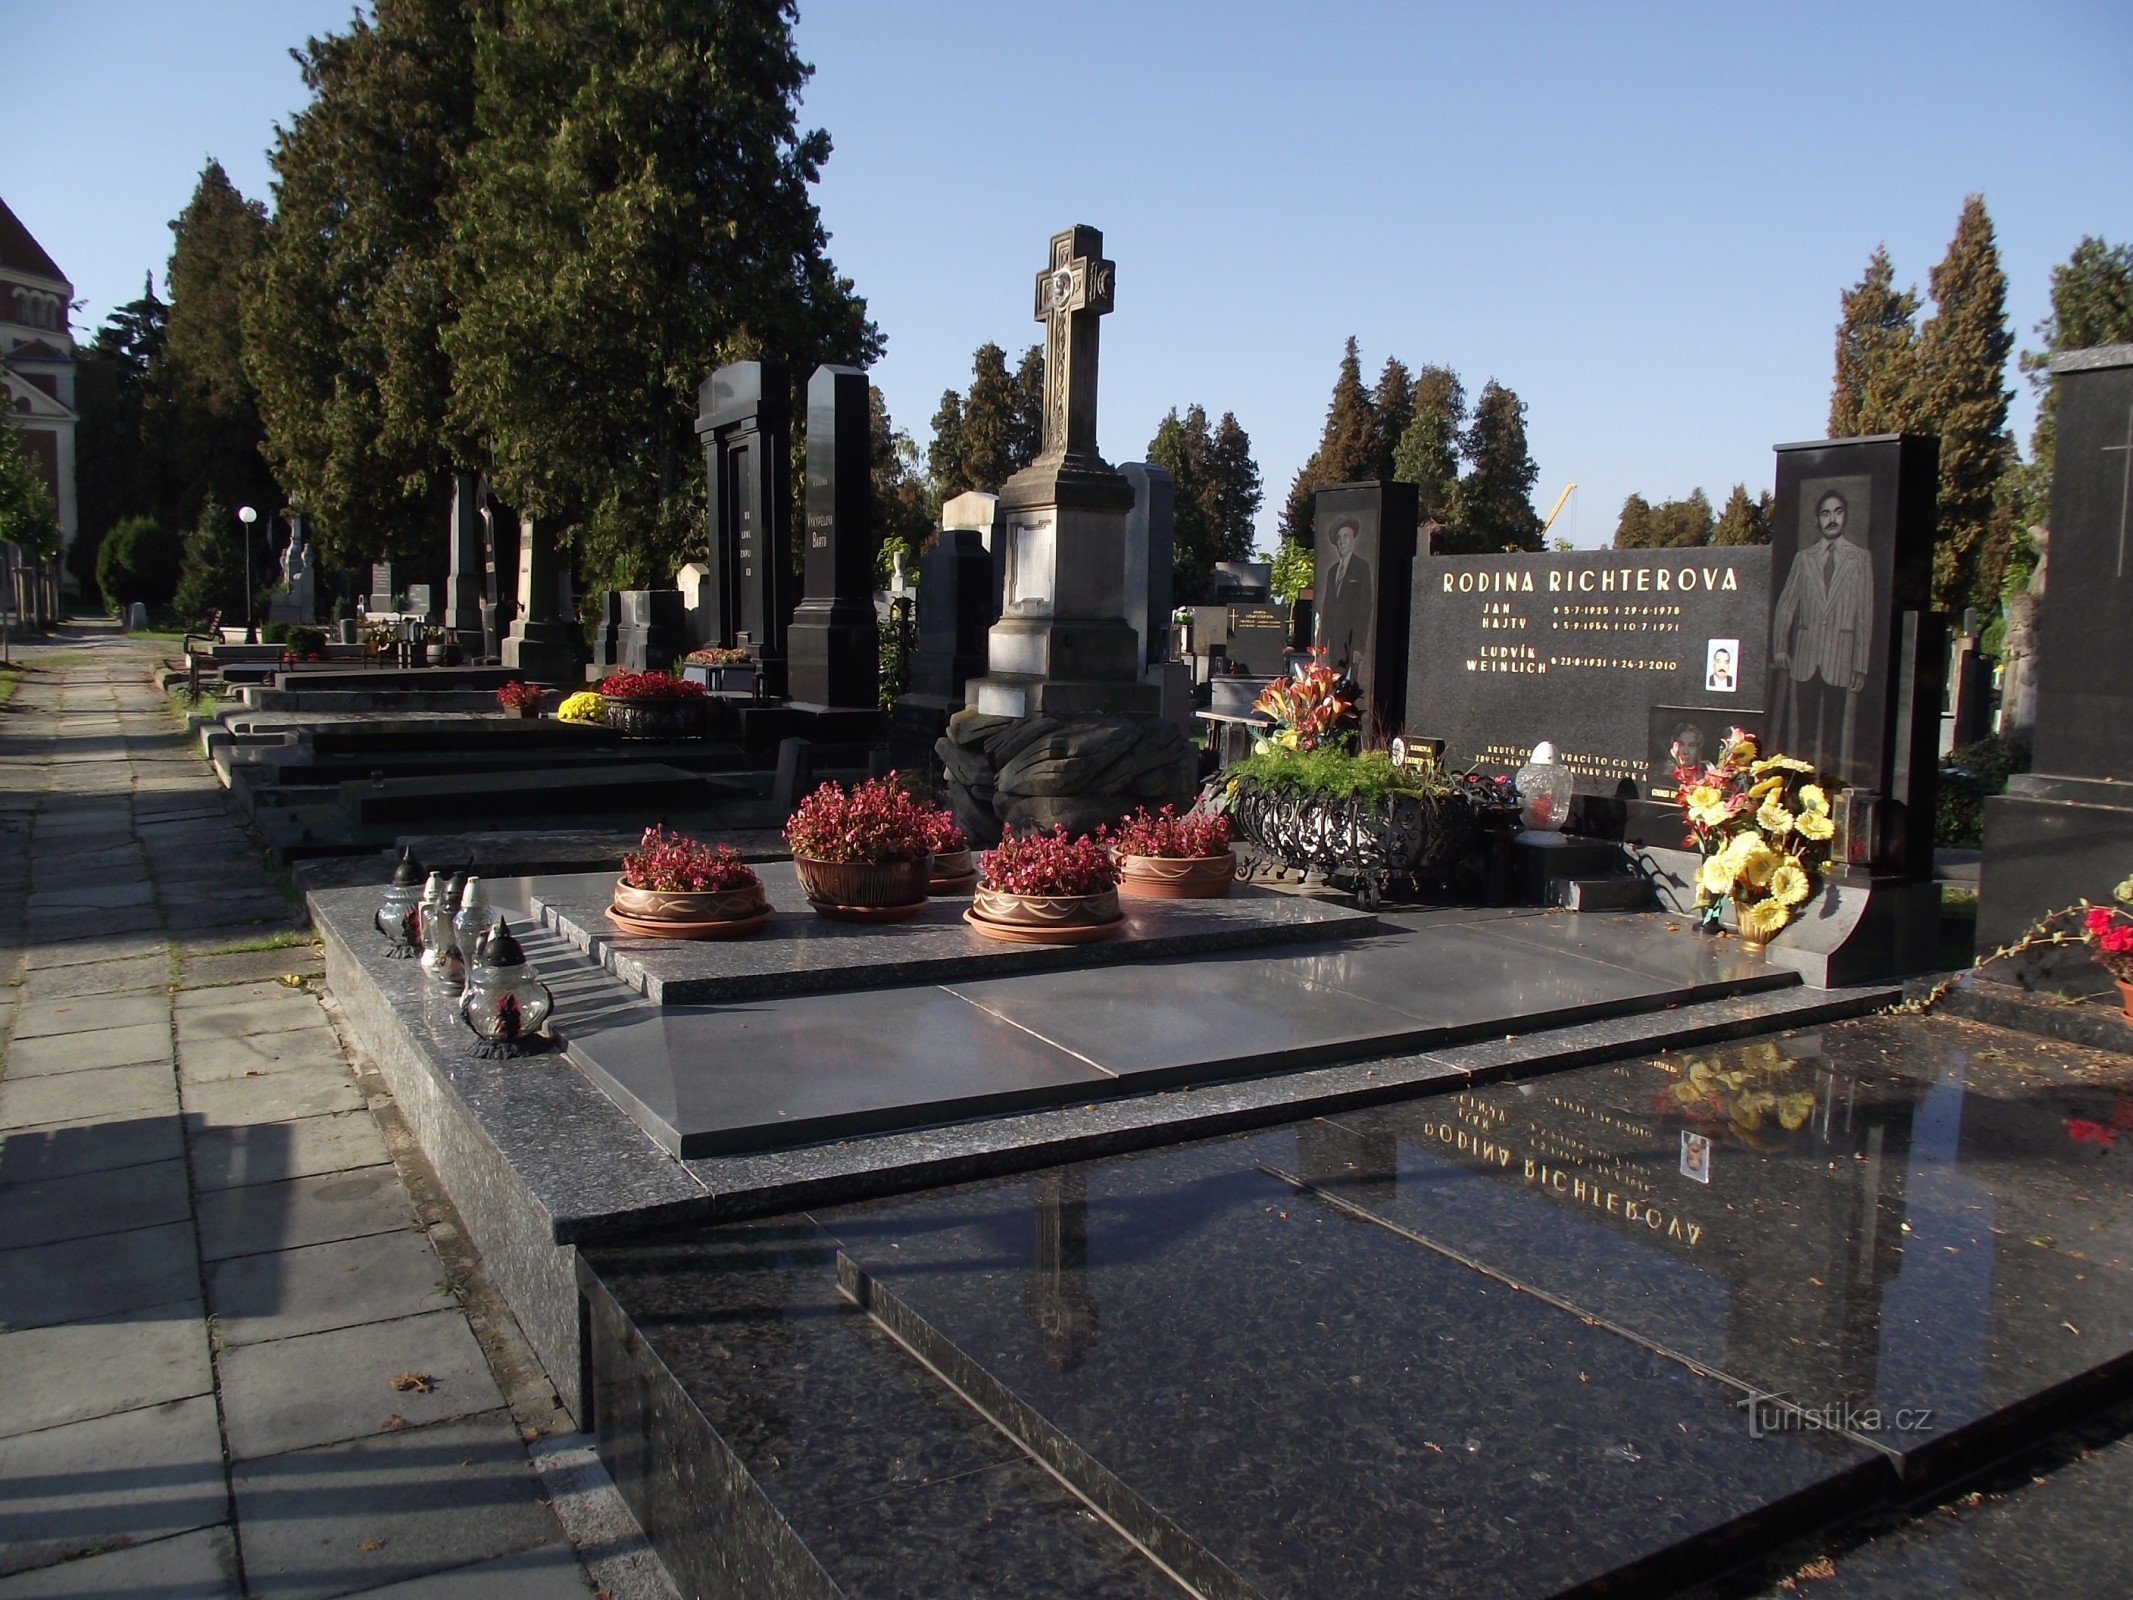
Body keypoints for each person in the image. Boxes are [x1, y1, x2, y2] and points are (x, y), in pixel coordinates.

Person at [1769, 487, 1874, 782]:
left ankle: (1830, 786)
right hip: (1806, 657)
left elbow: (1865, 614)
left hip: (1840, 657)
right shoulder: (1804, 558)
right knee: (1805, 730)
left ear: (1846, 516)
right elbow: (1786, 605)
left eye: (1838, 512)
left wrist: (1860, 664)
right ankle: (1801, 786)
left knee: (1833, 731)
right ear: (1817, 519)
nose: (1832, 519)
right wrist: (1781, 647)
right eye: (1826, 513)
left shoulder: (1859, 559)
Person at [1316, 518, 1374, 677]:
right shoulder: (1332, 571)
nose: (1342, 542)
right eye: (1339, 538)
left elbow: (1365, 607)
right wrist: (1322, 646)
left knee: (1349, 688)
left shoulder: (1361, 567)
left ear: (1353, 539)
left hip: (1351, 641)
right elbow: (1327, 607)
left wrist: (1359, 646)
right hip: (1333, 644)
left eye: (1346, 536)